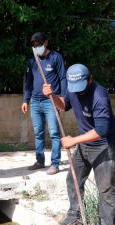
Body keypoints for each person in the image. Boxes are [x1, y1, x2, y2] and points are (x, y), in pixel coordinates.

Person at [43, 63, 115, 225]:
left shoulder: (99, 96)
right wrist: (52, 96)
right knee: (74, 180)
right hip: (85, 143)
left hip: (104, 145)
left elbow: (101, 130)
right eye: (73, 88)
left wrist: (73, 140)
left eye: (81, 87)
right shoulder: (73, 88)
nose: (77, 92)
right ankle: (74, 216)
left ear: (90, 79)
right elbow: (63, 105)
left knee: (105, 188)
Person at [21, 32, 67, 175]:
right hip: (35, 102)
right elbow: (28, 82)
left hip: (51, 101)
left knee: (54, 133)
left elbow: (63, 79)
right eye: (34, 45)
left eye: (39, 44)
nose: (36, 47)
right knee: (38, 133)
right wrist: (26, 100)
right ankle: (40, 161)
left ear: (45, 43)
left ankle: (55, 164)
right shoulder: (32, 61)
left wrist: (62, 100)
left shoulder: (55, 57)